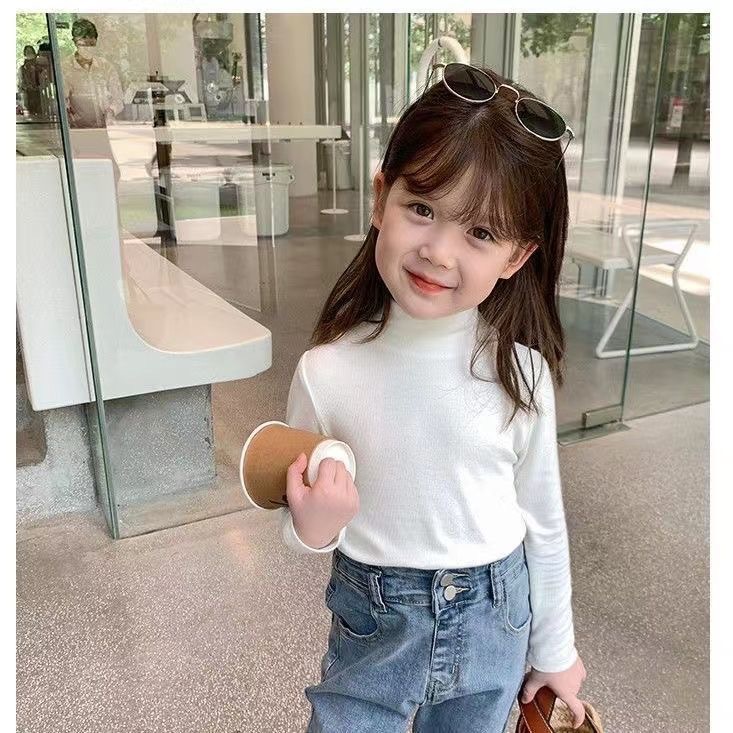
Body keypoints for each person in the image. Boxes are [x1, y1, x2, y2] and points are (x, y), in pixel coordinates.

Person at [280, 62, 587, 732]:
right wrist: (315, 525)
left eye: (481, 233)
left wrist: (556, 651)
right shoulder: (326, 372)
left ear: (515, 257)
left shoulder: (522, 376)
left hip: (495, 621)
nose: (440, 252)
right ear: (380, 198)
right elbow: (298, 515)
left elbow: (542, 520)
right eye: (421, 209)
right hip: (374, 623)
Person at [61, 18, 123, 187]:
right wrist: (69, 114)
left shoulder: (105, 67)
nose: (88, 48)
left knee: (112, 173)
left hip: (102, 130)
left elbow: (118, 98)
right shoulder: (65, 68)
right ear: (75, 42)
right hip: (78, 133)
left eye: (92, 43)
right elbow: (62, 101)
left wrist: (111, 111)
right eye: (84, 44)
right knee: (83, 176)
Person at [17, 45, 42, 117]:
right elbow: (21, 82)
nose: (29, 53)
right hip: (29, 94)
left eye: (30, 52)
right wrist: (26, 87)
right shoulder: (22, 68)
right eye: (27, 52)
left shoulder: (39, 65)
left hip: (39, 93)